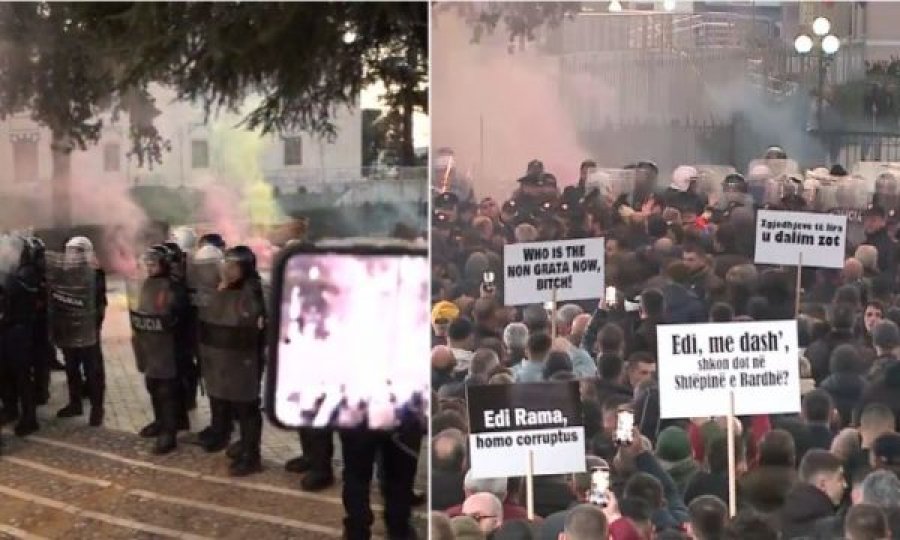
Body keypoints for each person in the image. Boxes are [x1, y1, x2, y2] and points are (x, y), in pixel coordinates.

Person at [197, 246, 266, 476]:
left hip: (244, 361)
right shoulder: (223, 287)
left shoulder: (252, 290)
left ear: (244, 268)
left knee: (246, 409)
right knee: (224, 401)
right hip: (221, 358)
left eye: (233, 266)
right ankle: (235, 441)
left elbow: (245, 318)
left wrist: (225, 292)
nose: (227, 270)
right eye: (225, 265)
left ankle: (251, 454)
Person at [130, 245, 190, 454]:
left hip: (169, 348)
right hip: (151, 345)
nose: (149, 266)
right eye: (147, 263)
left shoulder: (174, 287)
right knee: (152, 384)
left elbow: (180, 319)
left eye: (153, 263)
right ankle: (160, 421)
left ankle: (169, 431)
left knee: (167, 390)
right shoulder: (147, 283)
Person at [53, 236, 107, 427]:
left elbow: (100, 302)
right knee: (71, 368)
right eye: (69, 251)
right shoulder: (64, 274)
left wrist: (93, 325)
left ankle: (97, 408)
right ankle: (75, 403)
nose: (71, 255)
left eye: (75, 251)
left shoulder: (94, 273)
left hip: (88, 330)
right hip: (69, 329)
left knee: (93, 370)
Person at [780, 450, 846, 539]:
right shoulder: (828, 528)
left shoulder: (778, 517)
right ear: (822, 484)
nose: (845, 485)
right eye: (840, 478)